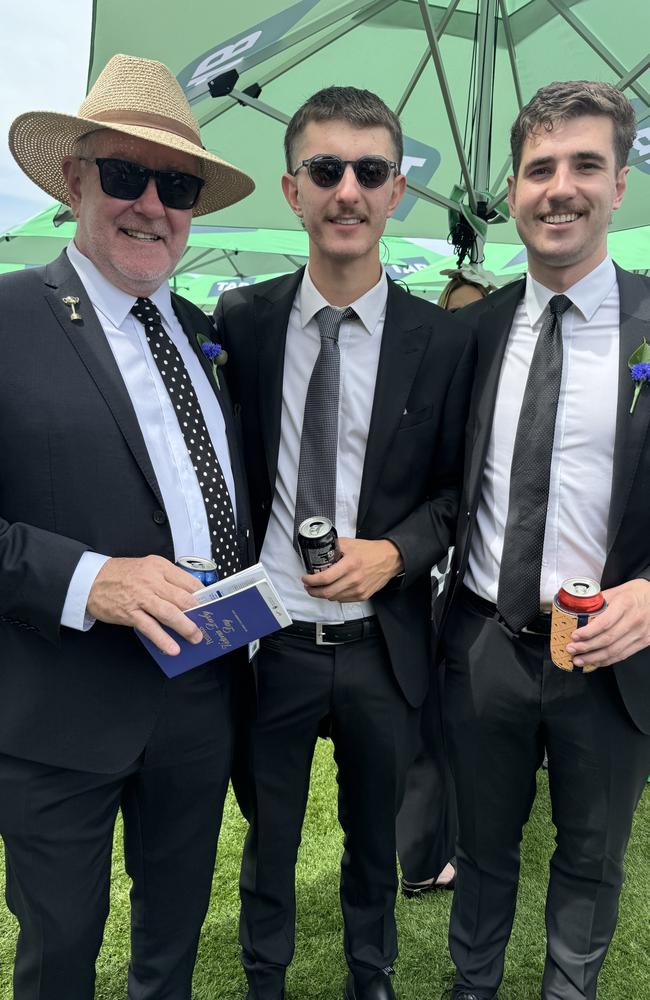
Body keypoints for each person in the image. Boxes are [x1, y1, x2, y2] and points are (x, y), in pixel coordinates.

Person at [0, 54, 255, 1000]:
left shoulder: (202, 330)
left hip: (200, 691)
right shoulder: (8, 318)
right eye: (124, 174)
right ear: (74, 180)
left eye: (177, 184)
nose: (152, 203)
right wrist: (86, 579)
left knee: (173, 947)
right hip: (59, 707)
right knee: (60, 957)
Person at [214, 87, 474, 1000]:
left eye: (369, 172)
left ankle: (374, 977)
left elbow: (457, 494)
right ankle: (264, 982)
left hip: (381, 647)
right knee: (268, 840)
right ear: (293, 190)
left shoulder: (440, 342)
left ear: (397, 189)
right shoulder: (240, 324)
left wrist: (397, 553)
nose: (348, 191)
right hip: (271, 641)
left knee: (375, 841)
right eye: (327, 171)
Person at [442, 80, 650, 1000]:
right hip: (488, 641)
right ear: (516, 186)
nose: (559, 187)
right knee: (480, 848)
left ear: (619, 185)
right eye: (539, 169)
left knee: (592, 858)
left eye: (585, 166)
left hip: (612, 657)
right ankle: (472, 986)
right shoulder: (472, 331)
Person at [397, 269, 493, 900]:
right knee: (427, 731)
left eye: (477, 319)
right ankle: (423, 858)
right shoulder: (423, 388)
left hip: (471, 592)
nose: (465, 330)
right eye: (455, 315)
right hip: (421, 586)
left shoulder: (492, 394)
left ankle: (435, 848)